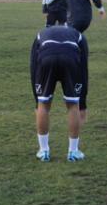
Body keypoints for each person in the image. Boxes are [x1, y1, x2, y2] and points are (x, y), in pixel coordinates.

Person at [30, 25, 89, 162]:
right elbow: (83, 68)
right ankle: (73, 151)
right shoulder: (79, 35)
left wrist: (37, 99)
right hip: (70, 59)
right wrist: (82, 103)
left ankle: (44, 151)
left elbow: (33, 66)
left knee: (43, 104)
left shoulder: (41, 34)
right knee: (73, 105)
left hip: (46, 57)